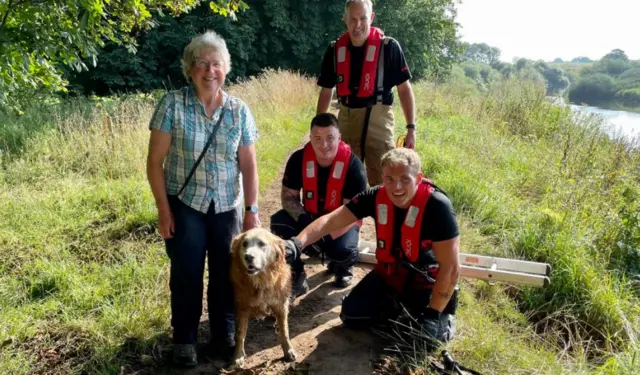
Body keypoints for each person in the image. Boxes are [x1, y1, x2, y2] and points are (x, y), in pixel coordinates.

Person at [146, 30, 260, 367]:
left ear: (226, 68)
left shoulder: (239, 110)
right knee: (187, 271)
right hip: (186, 204)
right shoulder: (172, 104)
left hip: (227, 205)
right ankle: (184, 338)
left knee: (228, 270)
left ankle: (223, 331)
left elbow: (249, 164)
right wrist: (163, 210)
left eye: (216, 64)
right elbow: (155, 163)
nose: (209, 71)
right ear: (189, 69)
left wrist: (252, 210)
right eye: (201, 64)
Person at [283, 148, 460, 347]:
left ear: (418, 178)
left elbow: (451, 267)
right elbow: (331, 220)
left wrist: (433, 315)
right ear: (382, 177)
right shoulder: (375, 195)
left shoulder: (437, 205)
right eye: (389, 179)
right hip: (390, 276)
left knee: (424, 340)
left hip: (425, 282)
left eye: (405, 179)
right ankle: (399, 310)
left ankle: (440, 315)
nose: (397, 187)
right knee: (351, 316)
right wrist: (297, 244)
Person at [316, 0, 417, 187]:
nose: (358, 25)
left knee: (384, 179)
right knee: (345, 180)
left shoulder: (389, 47)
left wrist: (411, 128)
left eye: (362, 18)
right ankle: (352, 216)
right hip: (346, 118)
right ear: (345, 19)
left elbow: (404, 89)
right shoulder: (334, 50)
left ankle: (384, 216)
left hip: (379, 120)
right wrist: (318, 128)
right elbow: (326, 90)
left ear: (371, 17)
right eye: (352, 19)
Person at [270, 113, 367, 295]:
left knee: (342, 250)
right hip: (309, 216)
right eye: (317, 139)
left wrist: (322, 237)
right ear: (310, 139)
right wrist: (306, 223)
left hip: (341, 223)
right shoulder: (298, 159)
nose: (324, 145)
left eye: (330, 138)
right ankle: (296, 273)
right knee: (278, 222)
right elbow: (288, 197)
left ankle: (342, 266)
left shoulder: (354, 167)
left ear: (340, 138)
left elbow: (352, 213)